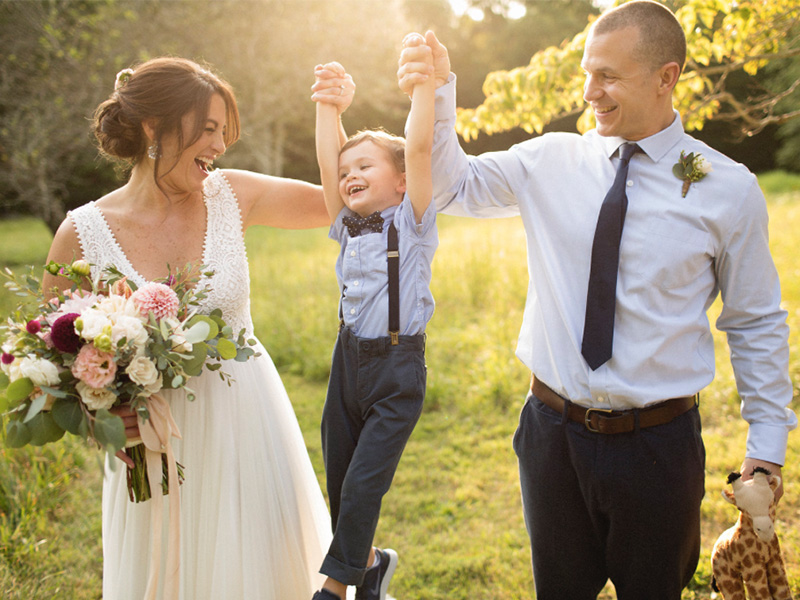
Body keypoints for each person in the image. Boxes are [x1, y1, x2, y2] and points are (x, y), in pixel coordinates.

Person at [397, 2, 797, 598]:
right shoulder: (549, 160)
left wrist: (766, 447)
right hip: (550, 438)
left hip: (659, 449)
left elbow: (756, 320)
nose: (589, 92)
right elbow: (453, 185)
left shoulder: (728, 189)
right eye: (587, 73)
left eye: (608, 76)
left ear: (667, 76)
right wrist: (436, 92)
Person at [43, 56, 345, 600]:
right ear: (154, 127)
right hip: (154, 457)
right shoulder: (81, 235)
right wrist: (103, 418)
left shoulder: (233, 194)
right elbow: (56, 368)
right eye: (207, 129)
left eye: (222, 132)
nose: (219, 145)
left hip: (246, 431)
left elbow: (340, 200)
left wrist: (331, 113)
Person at [308, 41, 436, 600]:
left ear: (400, 179)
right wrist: (328, 108)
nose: (350, 175)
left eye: (365, 166)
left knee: (364, 484)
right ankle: (372, 563)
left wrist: (423, 90)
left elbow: (423, 147)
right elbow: (324, 160)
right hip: (347, 363)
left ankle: (334, 590)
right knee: (340, 480)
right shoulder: (344, 225)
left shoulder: (412, 222)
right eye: (346, 171)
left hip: (396, 368)